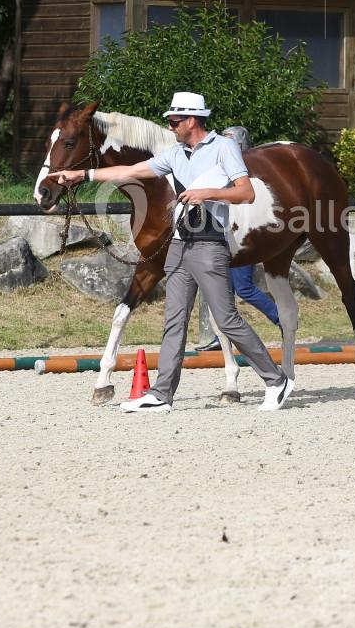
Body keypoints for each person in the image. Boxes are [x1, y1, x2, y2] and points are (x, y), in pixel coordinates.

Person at [47, 92, 294, 413]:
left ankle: (276, 380)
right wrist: (83, 175)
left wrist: (207, 193)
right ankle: (162, 393)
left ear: (191, 121)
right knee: (174, 321)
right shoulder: (176, 154)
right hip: (179, 243)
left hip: (209, 242)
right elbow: (131, 171)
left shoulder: (224, 148)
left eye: (174, 120)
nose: (170, 125)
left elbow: (245, 192)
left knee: (227, 319)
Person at [195, 124, 282, 351]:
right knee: (221, 292)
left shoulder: (248, 175)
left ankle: (280, 318)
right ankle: (222, 337)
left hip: (241, 238)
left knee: (243, 288)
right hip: (220, 236)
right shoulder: (222, 170)